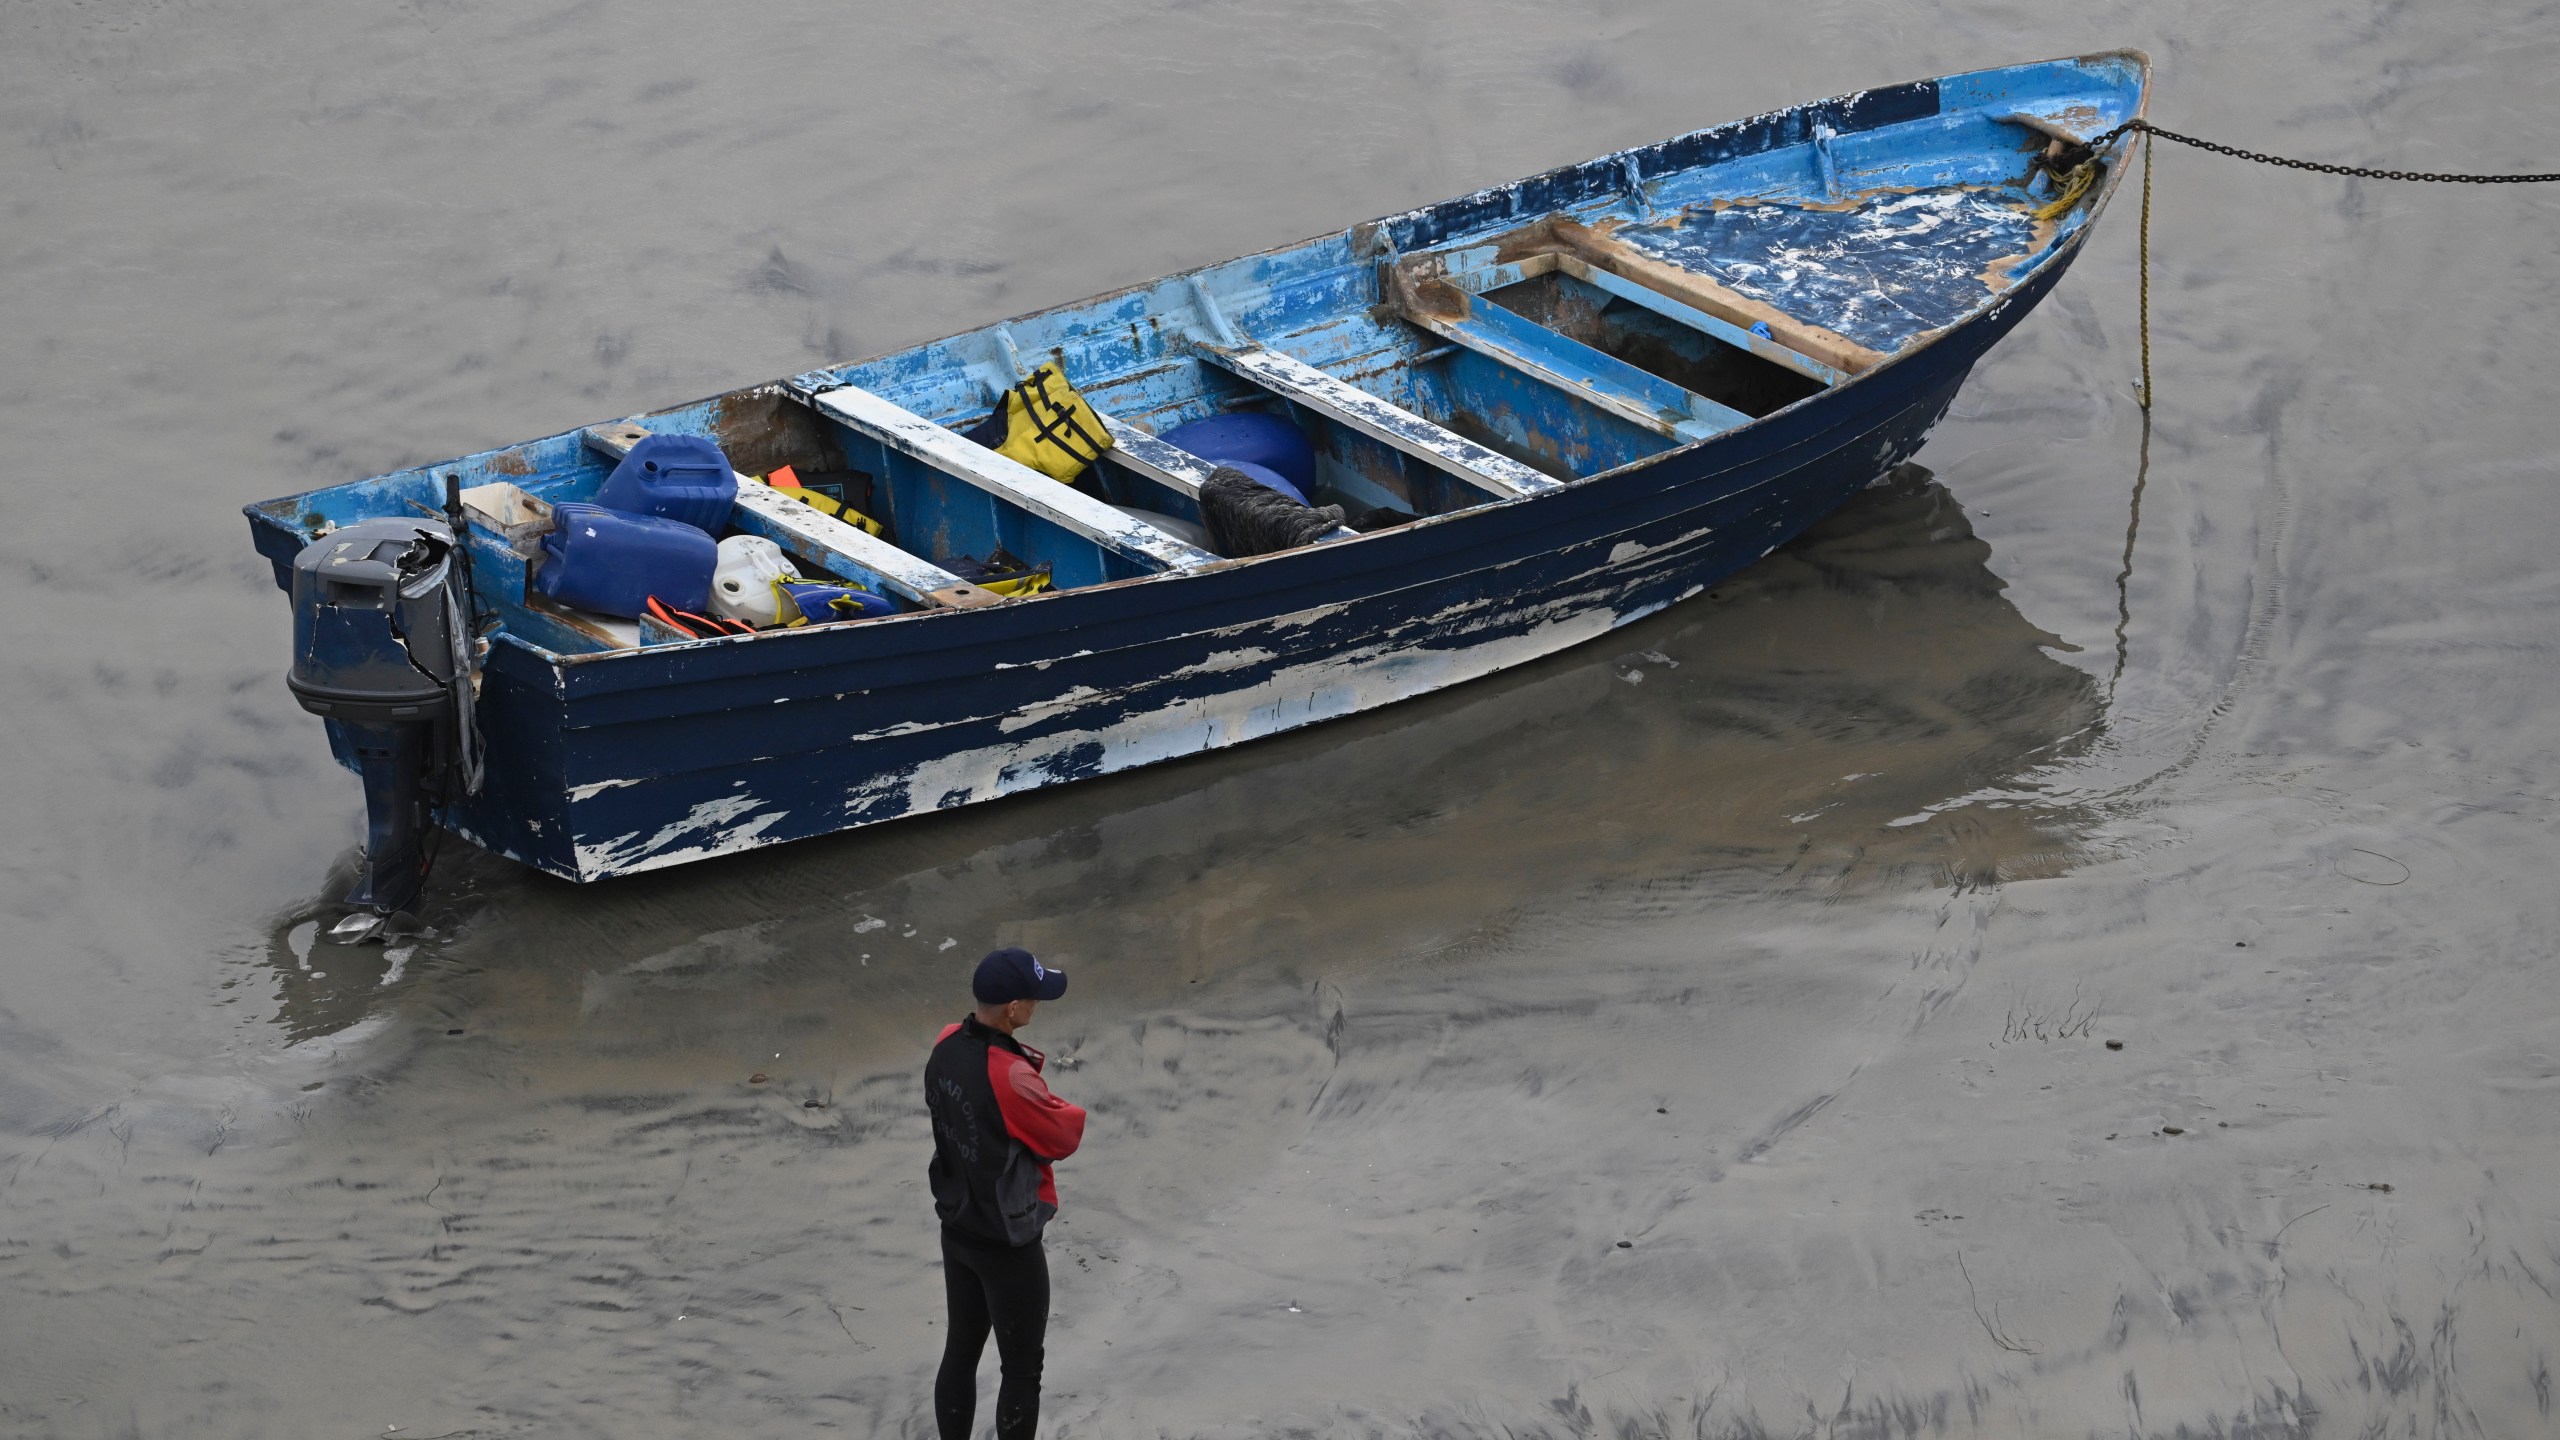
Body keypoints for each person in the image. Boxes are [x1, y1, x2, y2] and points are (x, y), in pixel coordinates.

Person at [925, 947, 1085, 1440]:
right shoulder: (1011, 1075)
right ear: (1014, 1009)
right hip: (1007, 1244)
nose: (1038, 1006)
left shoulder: (946, 1041)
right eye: (1034, 999)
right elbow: (1064, 1134)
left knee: (961, 1349)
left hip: (958, 1228)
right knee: (1021, 1371)